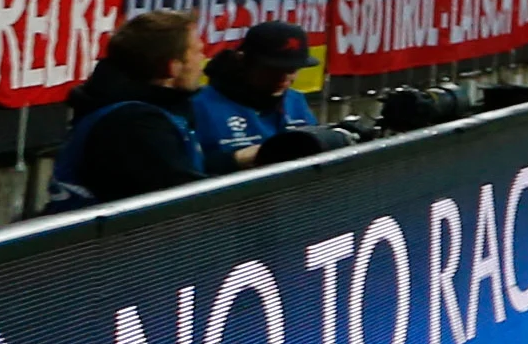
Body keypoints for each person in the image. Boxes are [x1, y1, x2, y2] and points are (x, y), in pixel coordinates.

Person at [54, 10, 212, 205]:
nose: (203, 60)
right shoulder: (134, 125)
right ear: (173, 67)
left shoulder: (154, 108)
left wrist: (237, 159)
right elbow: (181, 197)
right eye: (197, 52)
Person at [194, 21, 331, 167]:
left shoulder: (294, 100)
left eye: (291, 69)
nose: (284, 77)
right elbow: (184, 171)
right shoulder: (200, 105)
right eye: (273, 69)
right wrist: (236, 160)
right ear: (244, 62)